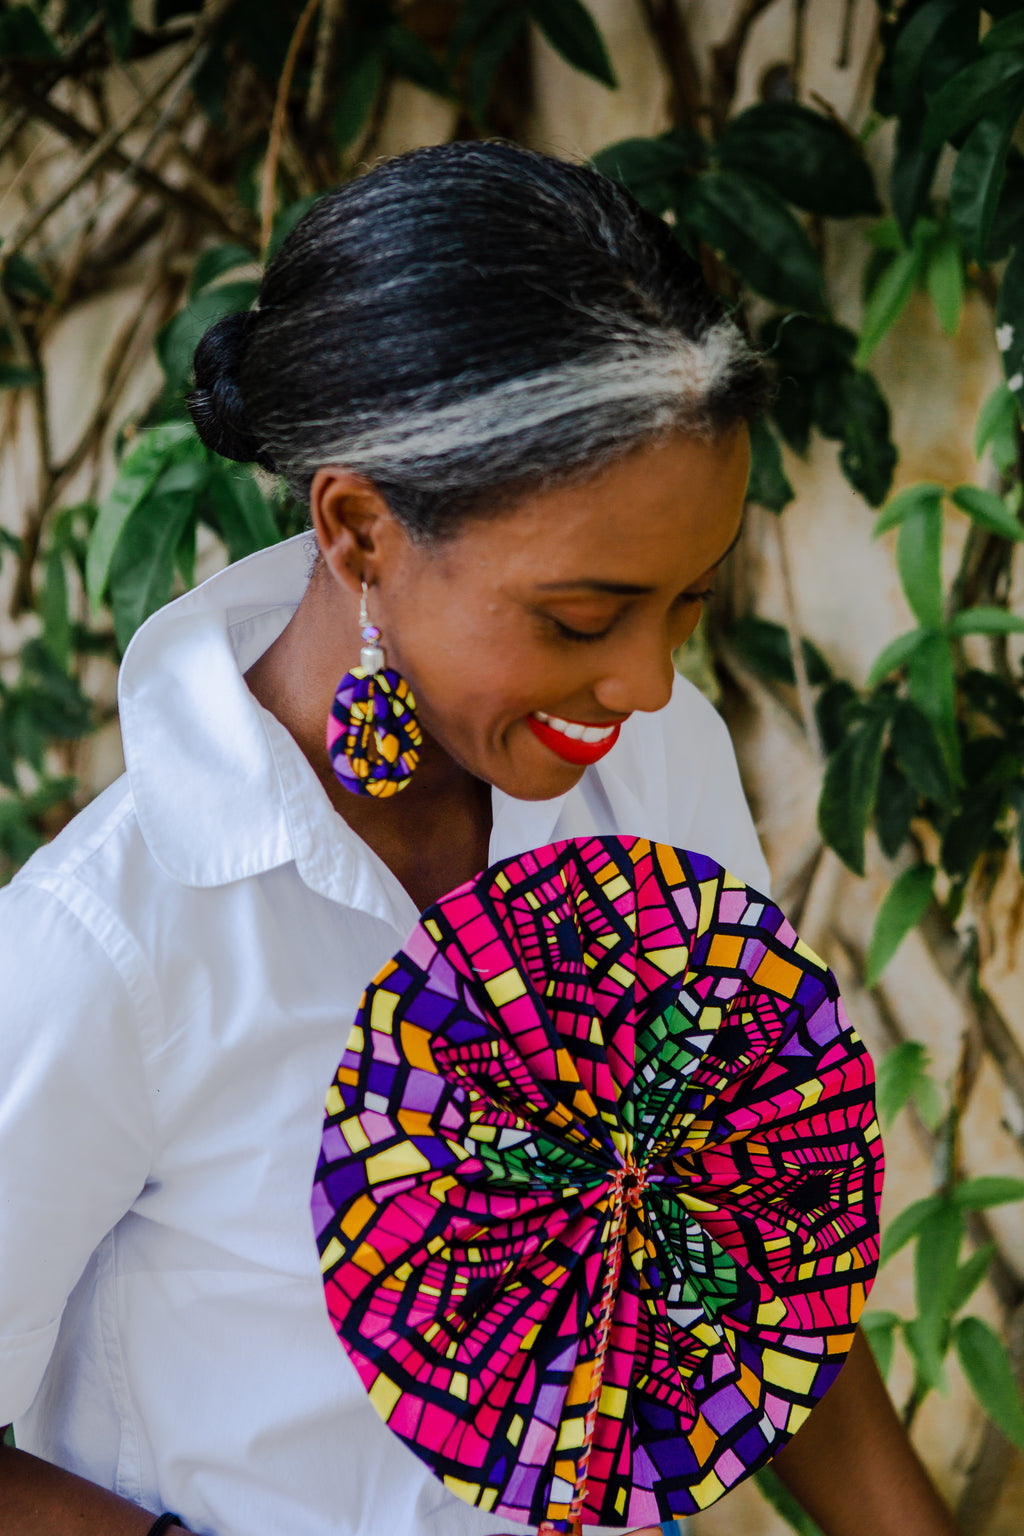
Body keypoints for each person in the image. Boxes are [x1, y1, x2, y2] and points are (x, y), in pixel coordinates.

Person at [0, 142, 956, 1536]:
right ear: (360, 531)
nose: (644, 682)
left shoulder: (652, 765)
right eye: (582, 618)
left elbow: (743, 1236)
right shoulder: (111, 943)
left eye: (688, 604)